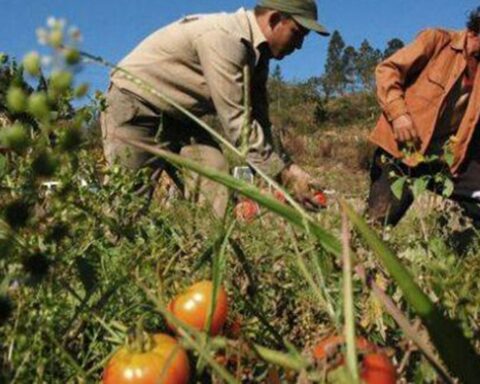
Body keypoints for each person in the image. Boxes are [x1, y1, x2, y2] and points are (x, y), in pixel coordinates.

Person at [101, 0, 329, 217]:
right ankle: (106, 252)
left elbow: (259, 120)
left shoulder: (258, 57)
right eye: (297, 33)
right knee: (128, 201)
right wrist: (284, 176)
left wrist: (290, 169)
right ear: (275, 19)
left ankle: (204, 249)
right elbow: (237, 121)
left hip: (180, 117)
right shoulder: (226, 39)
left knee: (214, 171)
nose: (299, 45)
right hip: (137, 105)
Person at [367, 7, 480, 226]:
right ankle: (356, 257)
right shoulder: (437, 41)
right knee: (378, 224)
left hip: (448, 158)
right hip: (403, 151)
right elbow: (387, 70)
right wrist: (399, 115)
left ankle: (463, 255)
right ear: (474, 33)